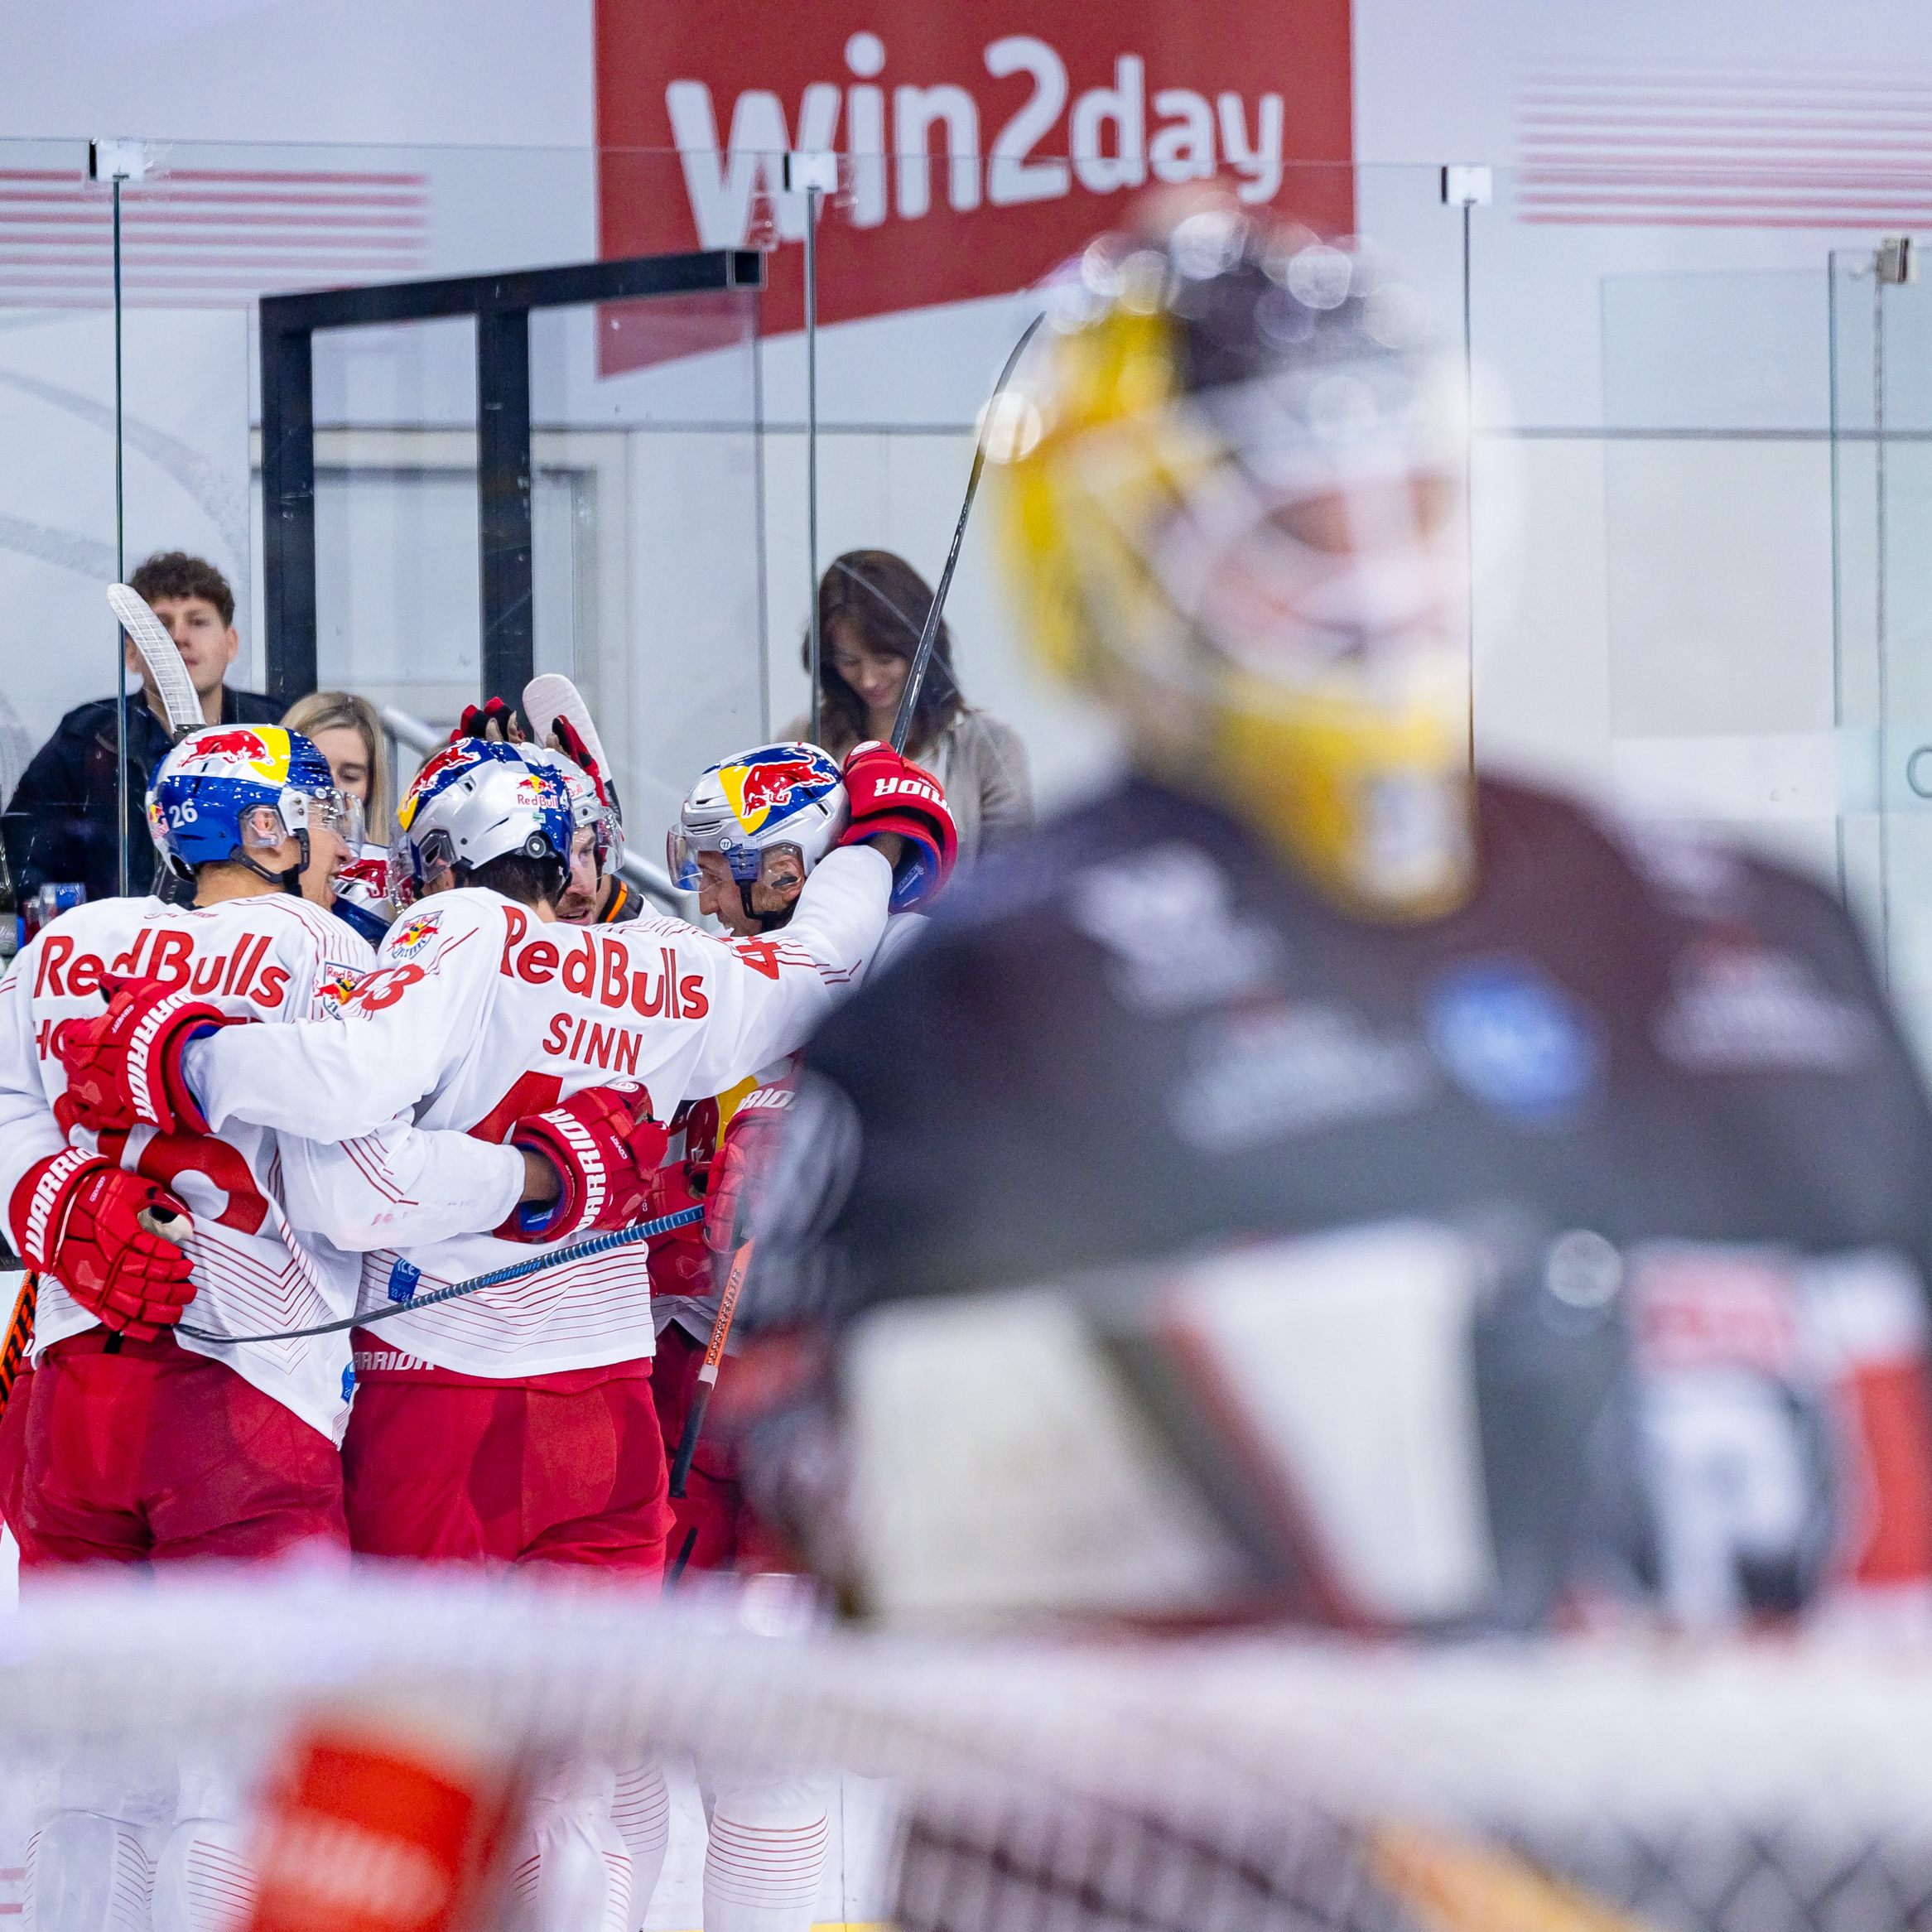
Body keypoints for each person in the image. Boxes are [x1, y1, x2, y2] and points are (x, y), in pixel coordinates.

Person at [735, 205, 1932, 1642]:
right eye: (1290, 525)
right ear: (1110, 565)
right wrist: (1390, 1414)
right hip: (1254, 1840)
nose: (1364, 582)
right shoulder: (988, 1001)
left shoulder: (1766, 925)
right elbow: (836, 1483)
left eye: (1400, 504)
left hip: (1772, 1835)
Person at [54, 732, 953, 1932]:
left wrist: (199, 1055)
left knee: (410, 1785)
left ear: (454, 856)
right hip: (610, 1431)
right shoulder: (662, 960)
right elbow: (815, 966)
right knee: (580, 1786)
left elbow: (344, 1174)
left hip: (438, 1419)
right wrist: (882, 846)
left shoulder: (457, 932)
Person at [0, 722, 600, 1930]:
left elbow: (14, 1115)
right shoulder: (325, 944)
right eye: (324, 814)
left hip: (68, 1405)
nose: (344, 841)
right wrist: (540, 1179)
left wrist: (57, 1201)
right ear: (265, 831)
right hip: (243, 1410)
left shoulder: (70, 939)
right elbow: (361, 1139)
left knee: (92, 1775)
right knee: (242, 1776)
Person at [4, 552, 281, 905]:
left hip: (247, 950)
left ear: (231, 644)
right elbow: (27, 861)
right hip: (119, 956)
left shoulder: (276, 733)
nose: (179, 638)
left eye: (198, 622)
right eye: (161, 625)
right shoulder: (87, 738)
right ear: (131, 654)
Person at [788, 548, 1033, 860]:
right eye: (849, 662)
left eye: (885, 659)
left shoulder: (989, 748)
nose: (868, 680)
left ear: (921, 649)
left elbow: (1011, 877)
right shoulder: (805, 743)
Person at [284, 689, 400, 945]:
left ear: (371, 787)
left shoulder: (396, 880)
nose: (330, 790)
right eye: (315, 772)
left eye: (350, 777)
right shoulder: (250, 876)